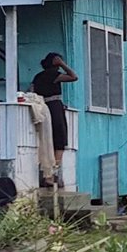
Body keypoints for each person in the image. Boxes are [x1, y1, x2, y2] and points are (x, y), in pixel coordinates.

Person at [30, 52, 78, 186]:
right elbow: (73, 77)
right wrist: (63, 65)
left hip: (42, 106)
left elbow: (32, 90)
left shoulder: (38, 76)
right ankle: (52, 173)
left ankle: (49, 174)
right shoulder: (53, 74)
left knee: (47, 138)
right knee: (60, 138)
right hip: (54, 107)